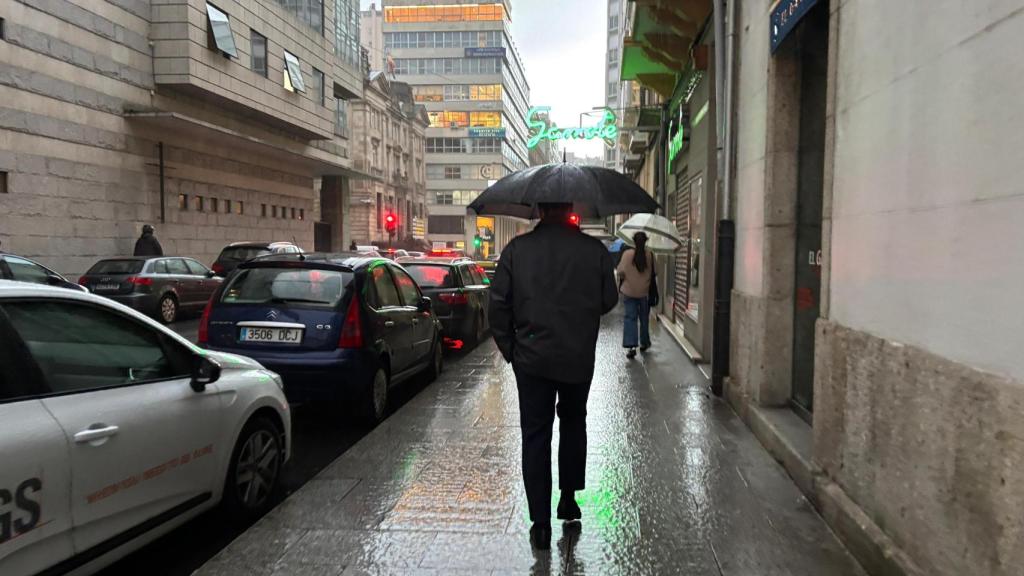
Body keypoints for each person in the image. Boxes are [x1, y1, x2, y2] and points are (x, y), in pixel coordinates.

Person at [489, 203, 618, 550]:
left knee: (535, 434)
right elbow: (609, 300)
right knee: (574, 422)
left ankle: (540, 523)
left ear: (540, 209)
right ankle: (569, 499)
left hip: (531, 360)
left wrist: (510, 350)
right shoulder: (595, 251)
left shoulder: (516, 250)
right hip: (577, 356)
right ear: (572, 209)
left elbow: (498, 303)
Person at [617, 232, 654, 359]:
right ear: (645, 242)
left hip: (629, 291)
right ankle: (644, 343)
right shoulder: (650, 255)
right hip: (644, 293)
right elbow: (656, 272)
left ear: (633, 241)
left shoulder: (627, 255)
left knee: (630, 318)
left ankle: (631, 346)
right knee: (644, 319)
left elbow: (620, 272)